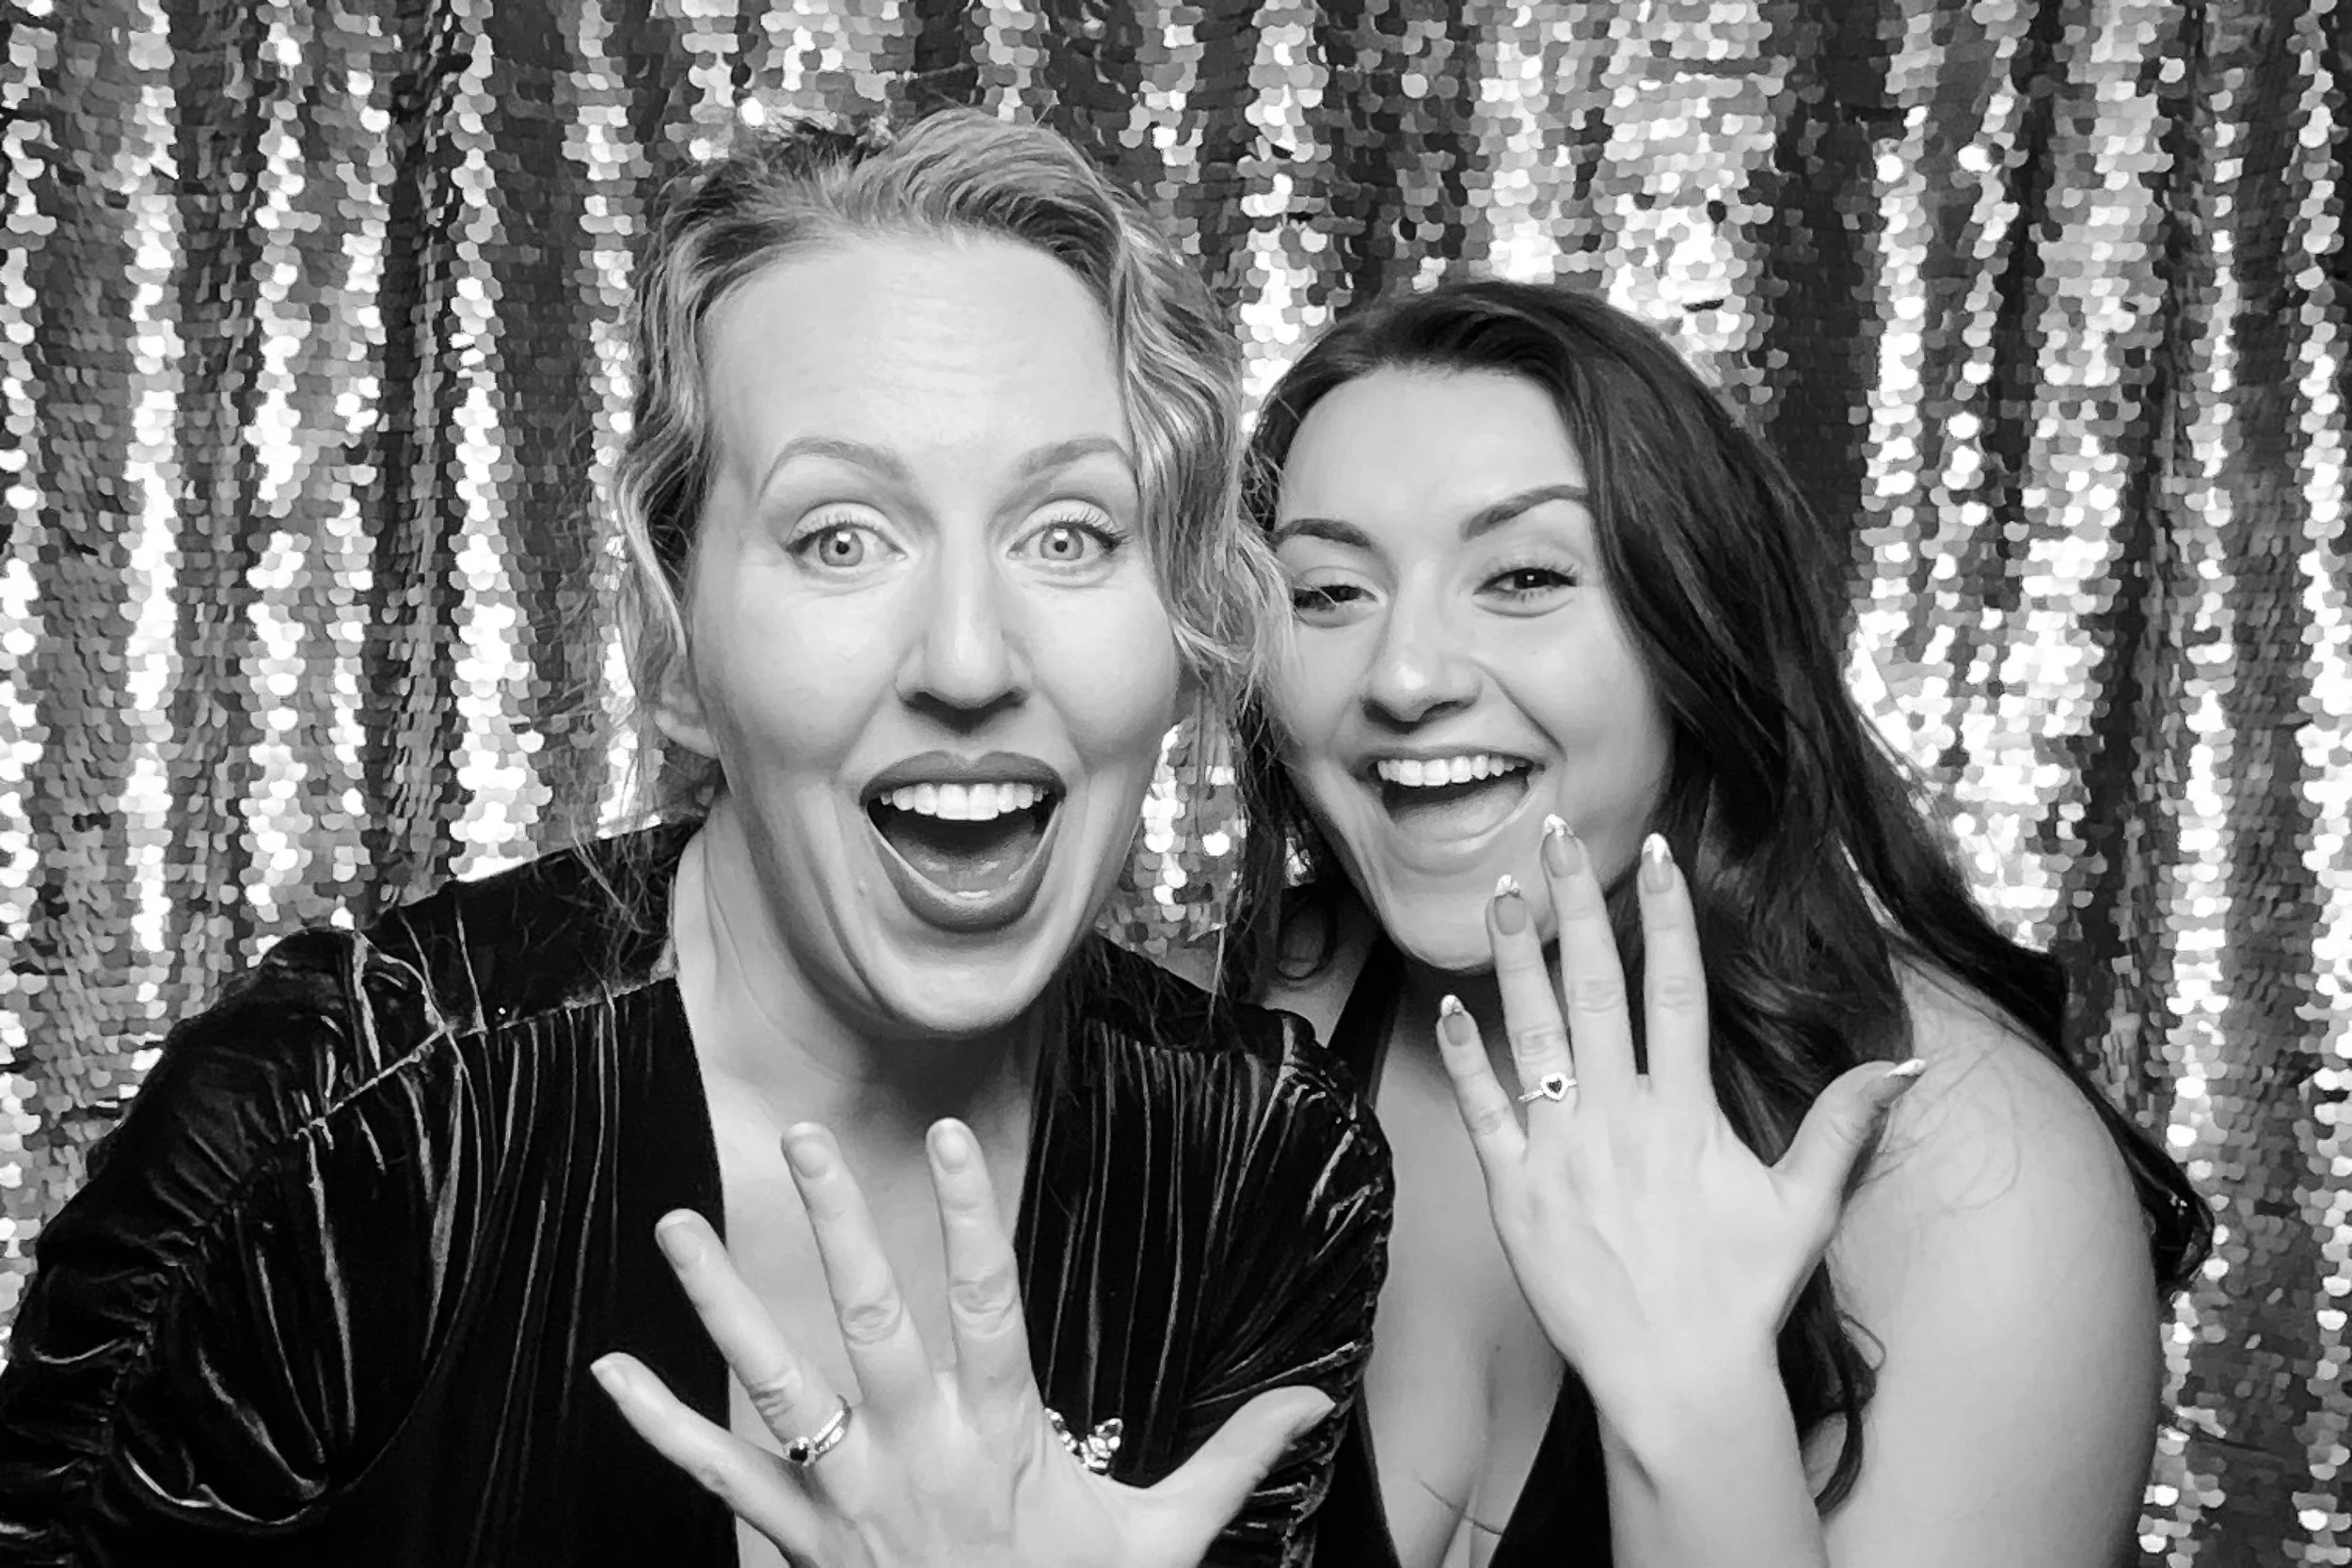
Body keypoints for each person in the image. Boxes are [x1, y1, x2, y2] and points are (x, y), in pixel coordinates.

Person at [0, 111, 1391, 1568]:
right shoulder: (337, 1133)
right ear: (677, 650)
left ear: (1185, 633)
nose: (969, 658)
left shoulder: (1267, 1168)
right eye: (841, 538)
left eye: (1070, 534)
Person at [1217, 277, 2212, 1567]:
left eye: (1524, 576)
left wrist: (1691, 1403)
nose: (1405, 677)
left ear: (1695, 630)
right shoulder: (1212, 1052)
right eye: (1328, 593)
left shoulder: (1977, 1176)